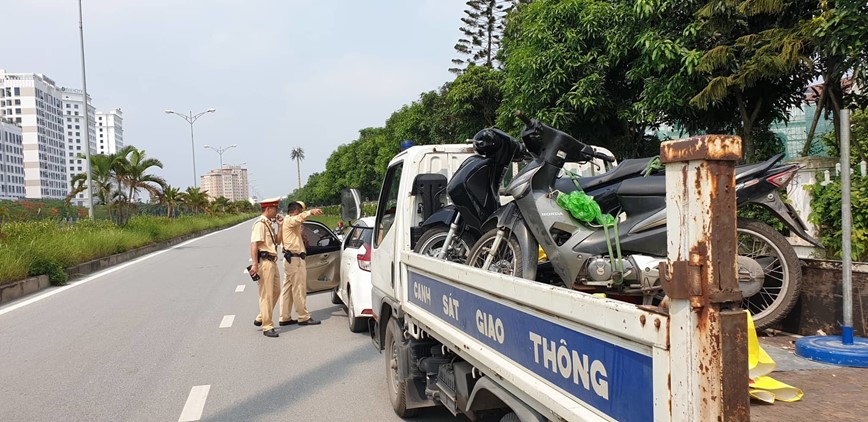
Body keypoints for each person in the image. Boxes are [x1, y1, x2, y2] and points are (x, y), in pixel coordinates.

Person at [280, 201, 324, 326]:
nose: (301, 216)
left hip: (291, 260)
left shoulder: (289, 223)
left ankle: (285, 317)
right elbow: (297, 219)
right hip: (295, 260)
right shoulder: (290, 220)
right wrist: (310, 212)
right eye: (301, 212)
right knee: (299, 289)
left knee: (287, 290)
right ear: (295, 211)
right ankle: (303, 316)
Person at [250, 197, 283, 338]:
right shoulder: (260, 224)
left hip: (272, 261)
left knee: (276, 291)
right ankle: (267, 325)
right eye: (275, 209)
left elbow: (277, 241)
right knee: (266, 294)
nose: (276, 211)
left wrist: (280, 226)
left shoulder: (269, 223)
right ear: (268, 209)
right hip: (264, 262)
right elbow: (254, 245)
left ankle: (261, 317)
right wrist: (255, 264)